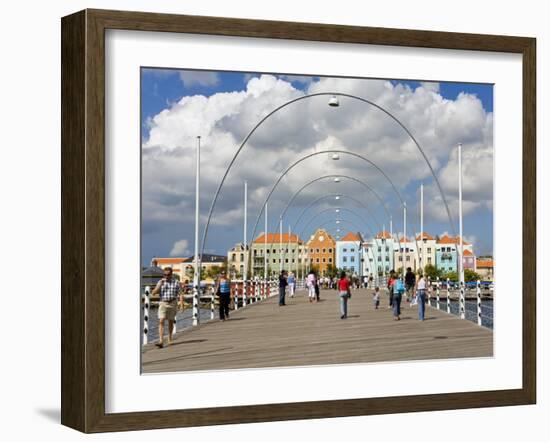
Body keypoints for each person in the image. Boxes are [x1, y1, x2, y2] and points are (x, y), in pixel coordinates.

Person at [151, 267, 183, 348]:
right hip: (163, 302)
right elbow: (153, 293)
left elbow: (180, 294)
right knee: (161, 320)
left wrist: (181, 304)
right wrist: (159, 286)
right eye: (165, 275)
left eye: (168, 275)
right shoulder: (160, 282)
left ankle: (169, 338)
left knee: (171, 321)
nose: (166, 276)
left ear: (171, 274)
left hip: (172, 302)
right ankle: (161, 340)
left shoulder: (176, 282)